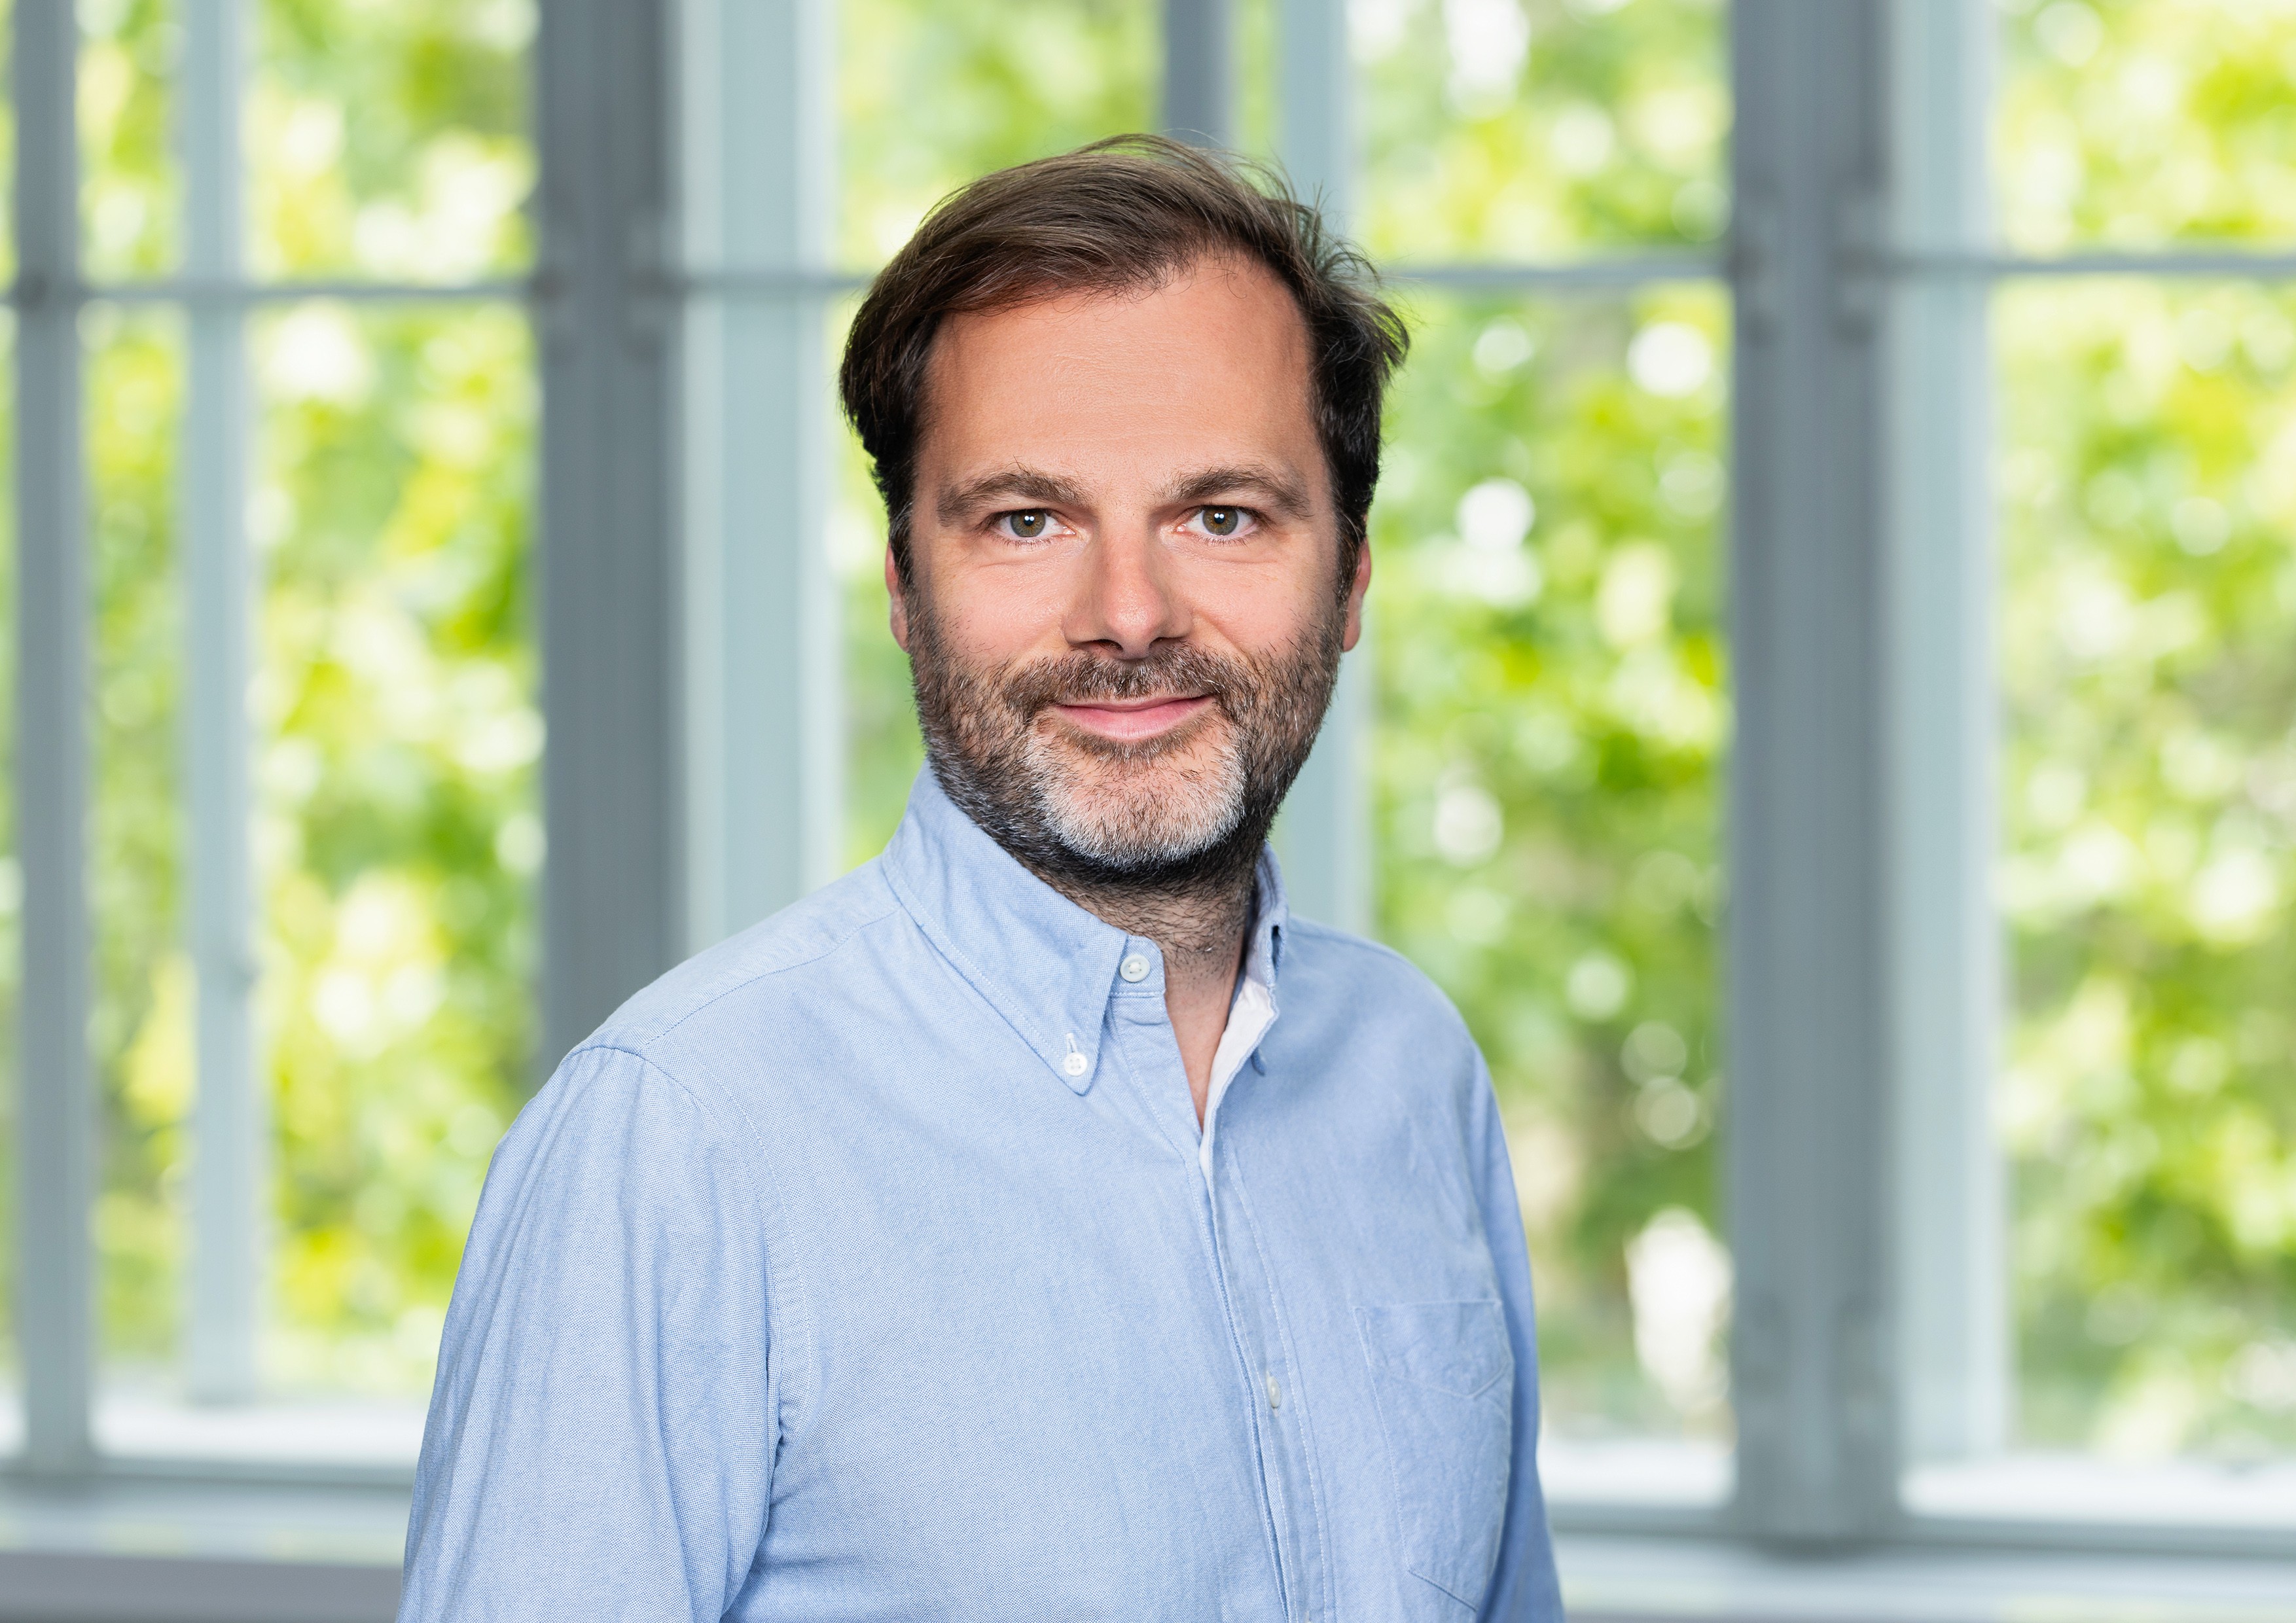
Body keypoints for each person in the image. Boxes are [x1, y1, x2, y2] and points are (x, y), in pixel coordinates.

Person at [399, 134, 1562, 1622]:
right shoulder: (676, 1144)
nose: (1127, 614)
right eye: (1026, 520)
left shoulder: (1412, 1070)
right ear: (904, 587)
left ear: (1348, 579)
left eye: (1221, 515)